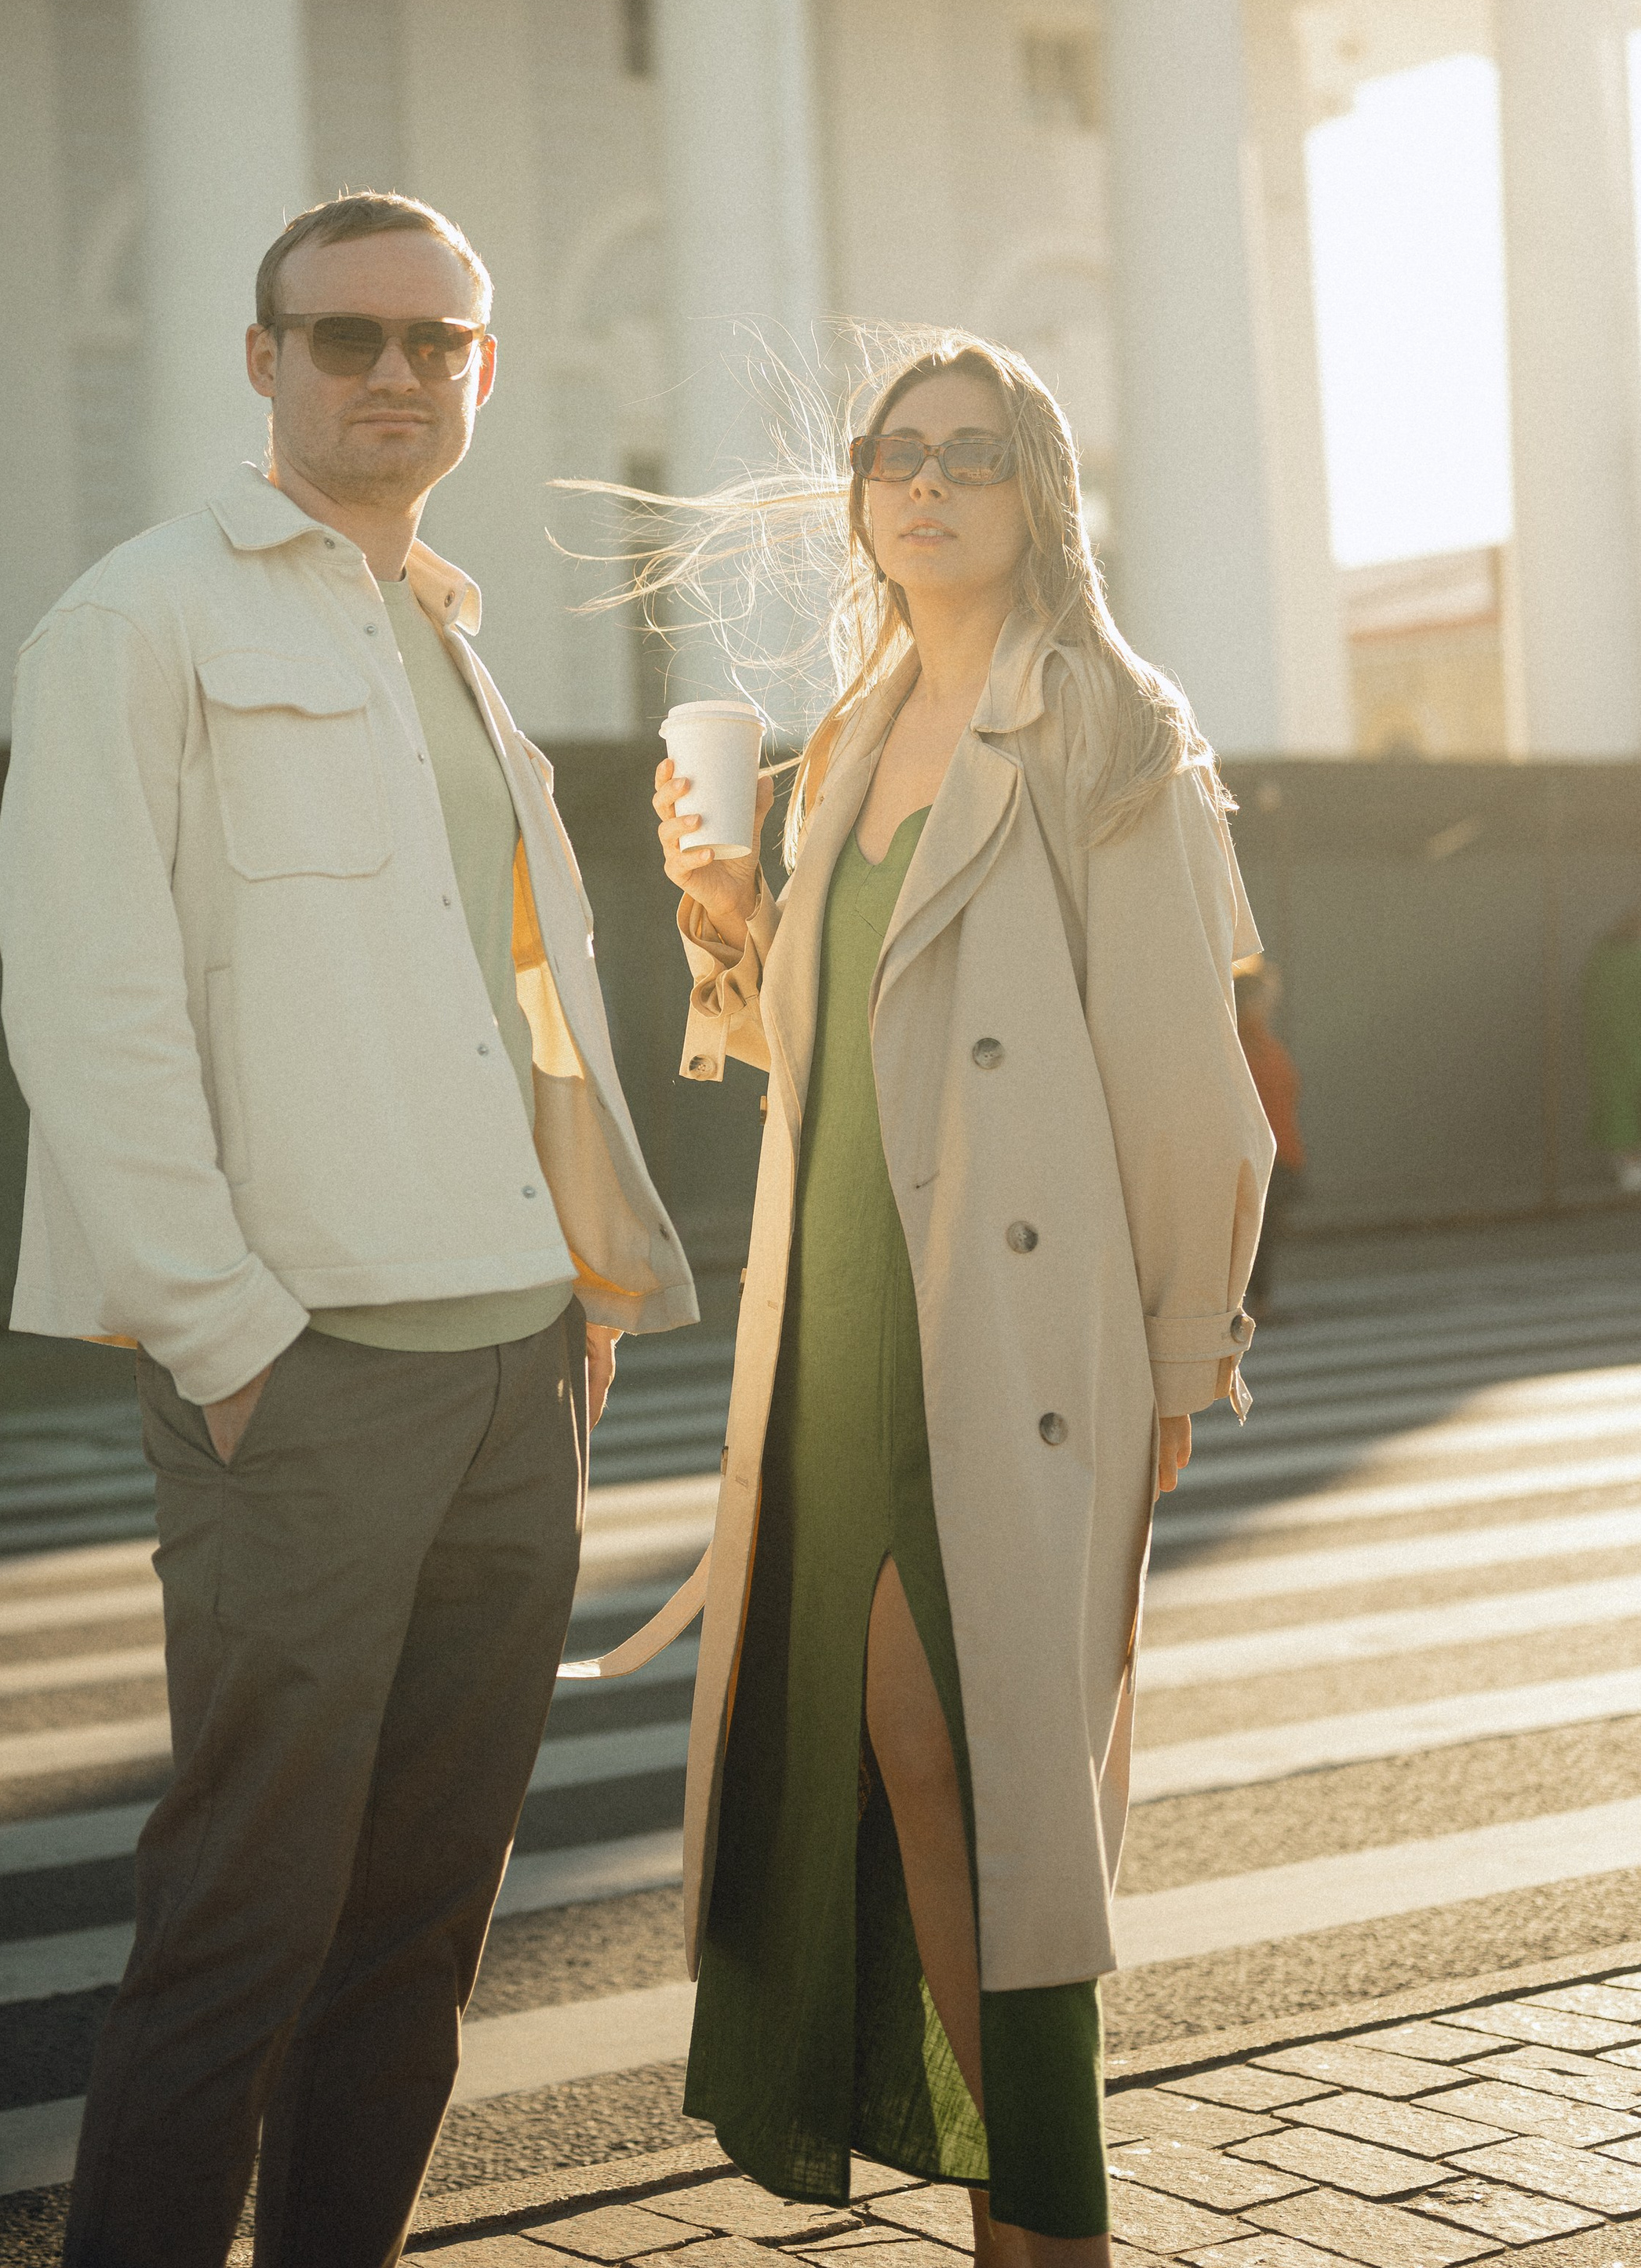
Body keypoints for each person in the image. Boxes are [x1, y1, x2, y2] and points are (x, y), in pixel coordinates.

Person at [0, 188, 695, 2268]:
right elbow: (85, 1002)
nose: (394, 374)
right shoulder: (141, 620)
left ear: (479, 371)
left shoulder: (448, 644)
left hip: (512, 1379)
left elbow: (524, 1002)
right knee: (239, 1939)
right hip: (307, 1384)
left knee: (414, 1946)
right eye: (346, 337)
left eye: (434, 343)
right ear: (262, 361)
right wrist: (224, 1341)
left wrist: (587, 1299)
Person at [649, 336, 1272, 2264]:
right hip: (834, 1322)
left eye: (968, 454)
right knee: (902, 1761)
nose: (922, 485)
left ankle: (1051, 2224)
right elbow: (842, 1064)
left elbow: (1187, 1080)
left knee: (988, 1778)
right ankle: (1019, 2209)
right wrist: (730, 933)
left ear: (1036, 489)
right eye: (890, 454)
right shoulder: (841, 728)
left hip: (1011, 1343)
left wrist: (1183, 1350)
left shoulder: (1100, 721)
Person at [1235, 963, 1304, 1307]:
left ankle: (1259, 1299)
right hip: (1262, 1153)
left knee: (1261, 1233)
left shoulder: (1261, 1043)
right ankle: (1256, 1300)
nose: (1268, 1004)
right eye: (1261, 998)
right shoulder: (1247, 1045)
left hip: (1277, 1151)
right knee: (1256, 1234)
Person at [1584, 909, 1641, 1194]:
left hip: (1614, 1041)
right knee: (1619, 1101)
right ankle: (1630, 1166)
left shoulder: (1603, 957)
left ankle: (1630, 1166)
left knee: (1618, 1101)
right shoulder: (1613, 959)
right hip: (1619, 1040)